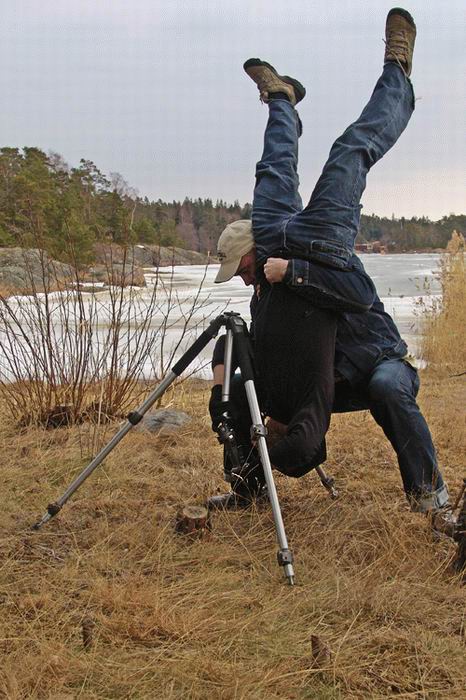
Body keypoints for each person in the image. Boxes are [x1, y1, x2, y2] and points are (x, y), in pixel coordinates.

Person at [208, 8, 455, 535]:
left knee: (349, 153)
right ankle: (284, 100)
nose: (245, 278)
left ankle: (397, 71)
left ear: (251, 248)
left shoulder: (276, 261)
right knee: (275, 166)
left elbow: (360, 296)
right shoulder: (264, 281)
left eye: (243, 268)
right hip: (323, 377)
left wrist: (292, 271)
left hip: (366, 355)